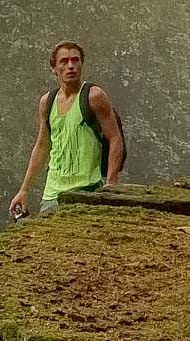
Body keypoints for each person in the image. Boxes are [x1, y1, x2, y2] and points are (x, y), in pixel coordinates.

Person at [10, 41, 124, 217]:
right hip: (52, 193)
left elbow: (115, 138)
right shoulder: (47, 102)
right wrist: (24, 190)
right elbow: (42, 146)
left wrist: (111, 183)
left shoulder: (94, 96)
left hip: (87, 189)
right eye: (64, 61)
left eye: (75, 60)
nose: (70, 66)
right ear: (54, 68)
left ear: (81, 64)